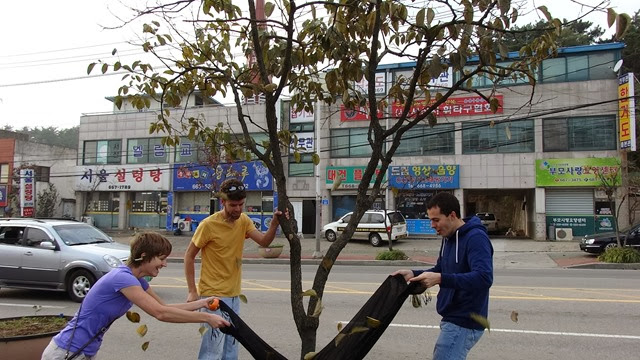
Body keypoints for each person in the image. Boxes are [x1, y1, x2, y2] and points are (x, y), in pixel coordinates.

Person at [42, 232, 230, 360]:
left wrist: (202, 303)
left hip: (83, 351)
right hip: (66, 351)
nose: (164, 264)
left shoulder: (136, 280)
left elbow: (165, 308)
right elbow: (160, 314)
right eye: (161, 259)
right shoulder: (122, 279)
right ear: (144, 255)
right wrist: (206, 317)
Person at [185, 178, 283, 360]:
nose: (238, 209)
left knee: (231, 351)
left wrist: (274, 224)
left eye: (241, 204)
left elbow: (263, 242)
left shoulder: (243, 221)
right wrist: (192, 291)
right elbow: (189, 256)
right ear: (223, 202)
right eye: (233, 205)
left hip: (234, 295)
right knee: (212, 351)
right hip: (213, 297)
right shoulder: (208, 225)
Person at [393, 192, 493, 360]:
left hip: (464, 321)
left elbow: (484, 277)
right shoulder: (448, 237)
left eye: (436, 220)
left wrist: (441, 279)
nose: (432, 225)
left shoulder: (476, 238)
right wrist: (413, 273)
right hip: (451, 317)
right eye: (430, 220)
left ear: (452, 215)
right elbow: (442, 268)